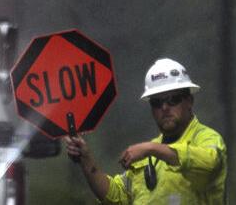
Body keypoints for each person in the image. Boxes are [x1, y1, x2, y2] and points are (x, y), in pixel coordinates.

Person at [61, 58, 226, 204]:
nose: (165, 107)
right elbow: (116, 196)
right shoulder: (148, 155)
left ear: (189, 101)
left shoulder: (207, 138)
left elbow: (209, 164)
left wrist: (151, 149)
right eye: (156, 102)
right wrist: (85, 157)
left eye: (173, 99)